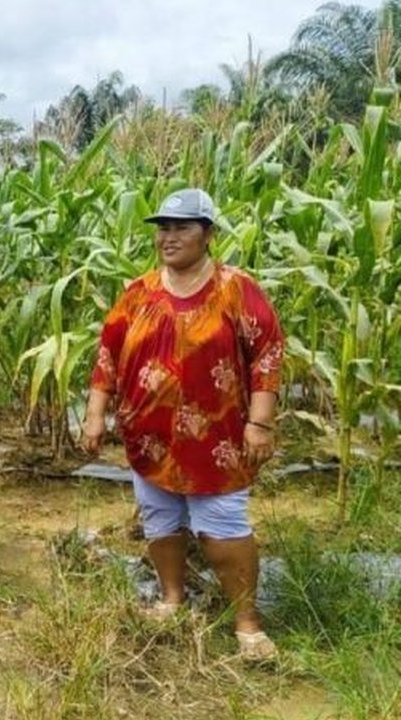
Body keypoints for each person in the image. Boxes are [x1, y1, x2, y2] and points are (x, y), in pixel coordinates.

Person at [82, 188, 284, 661]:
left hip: (216, 441)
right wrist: (95, 414)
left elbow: (267, 354)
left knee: (223, 526)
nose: (169, 238)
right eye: (164, 229)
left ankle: (247, 623)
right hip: (148, 436)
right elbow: (108, 355)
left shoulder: (236, 288)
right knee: (161, 520)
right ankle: (173, 597)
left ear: (208, 234)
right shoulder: (139, 292)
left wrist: (261, 422)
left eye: (182, 227)